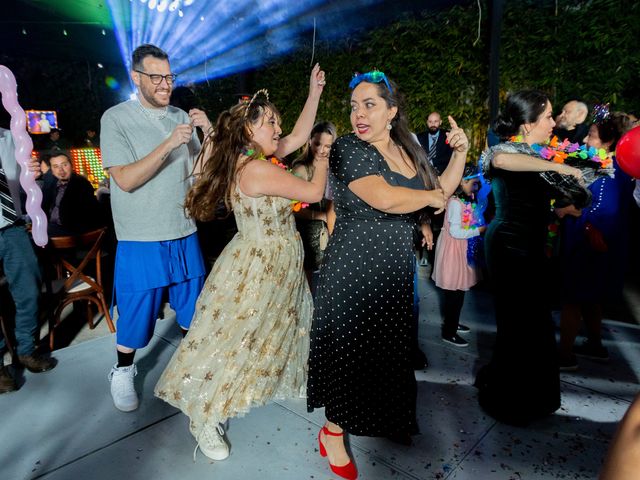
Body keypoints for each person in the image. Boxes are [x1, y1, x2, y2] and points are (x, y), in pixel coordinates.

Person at [155, 65, 327, 461]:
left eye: (277, 123)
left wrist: (313, 92)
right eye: (270, 123)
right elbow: (314, 191)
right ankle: (203, 414)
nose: (278, 130)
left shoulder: (254, 155)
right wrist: (321, 153)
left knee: (278, 325)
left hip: (276, 260)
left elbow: (298, 135)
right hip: (258, 264)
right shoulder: (256, 168)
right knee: (236, 340)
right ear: (249, 130)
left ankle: (285, 378)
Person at [307, 71, 468, 480]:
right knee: (351, 354)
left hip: (395, 267)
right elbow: (384, 197)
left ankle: (385, 416)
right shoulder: (347, 148)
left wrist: (461, 154)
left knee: (389, 351)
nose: (358, 114)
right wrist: (431, 197)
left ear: (391, 111)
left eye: (369, 105)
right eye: (353, 106)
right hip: (353, 269)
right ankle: (333, 432)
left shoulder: (409, 148)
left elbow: (439, 192)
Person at [100, 44, 213, 413]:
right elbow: (127, 180)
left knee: (192, 311)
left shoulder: (181, 115)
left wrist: (207, 133)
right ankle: (121, 371)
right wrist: (169, 143)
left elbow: (201, 173)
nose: (166, 84)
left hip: (184, 229)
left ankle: (190, 370)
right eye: (157, 77)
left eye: (170, 76)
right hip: (141, 236)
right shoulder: (116, 119)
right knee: (135, 313)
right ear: (137, 78)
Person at [474, 90, 589, 426]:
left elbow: (562, 195)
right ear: (528, 123)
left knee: (534, 323)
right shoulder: (506, 149)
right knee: (519, 323)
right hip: (509, 246)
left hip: (532, 246)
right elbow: (502, 162)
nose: (554, 122)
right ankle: (509, 400)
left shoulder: (539, 155)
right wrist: (559, 165)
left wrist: (571, 194)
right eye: (549, 115)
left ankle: (530, 395)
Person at [557, 112, 634, 370]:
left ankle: (564, 355)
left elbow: (603, 209)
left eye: (591, 135)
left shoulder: (608, 169)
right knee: (591, 298)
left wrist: (568, 211)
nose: (587, 139)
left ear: (608, 141)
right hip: (595, 242)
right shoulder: (611, 165)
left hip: (588, 242)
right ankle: (596, 344)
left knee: (572, 298)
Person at [1, 127, 56, 394]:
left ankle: (25, 349)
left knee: (29, 291)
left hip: (11, 225)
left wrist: (31, 177)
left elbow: (22, 186)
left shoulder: (9, 137)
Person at [432, 164, 485, 347]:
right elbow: (455, 232)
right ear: (462, 181)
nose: (476, 187)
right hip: (453, 250)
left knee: (459, 292)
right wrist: (479, 230)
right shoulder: (455, 203)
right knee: (454, 293)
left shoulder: (466, 200)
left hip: (461, 250)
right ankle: (449, 331)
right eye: (474, 183)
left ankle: (452, 323)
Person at [291, 121, 336, 287]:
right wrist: (320, 216)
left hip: (328, 234)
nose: (321, 150)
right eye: (317, 143)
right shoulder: (301, 169)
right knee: (306, 288)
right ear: (309, 141)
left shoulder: (333, 169)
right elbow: (291, 208)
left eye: (327, 146)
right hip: (305, 236)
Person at [41, 151, 105, 236]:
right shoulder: (53, 184)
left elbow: (77, 218)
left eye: (64, 165)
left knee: (36, 235)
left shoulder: (80, 183)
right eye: (56, 167)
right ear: (52, 171)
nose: (61, 170)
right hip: (55, 227)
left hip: (74, 231)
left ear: (71, 166)